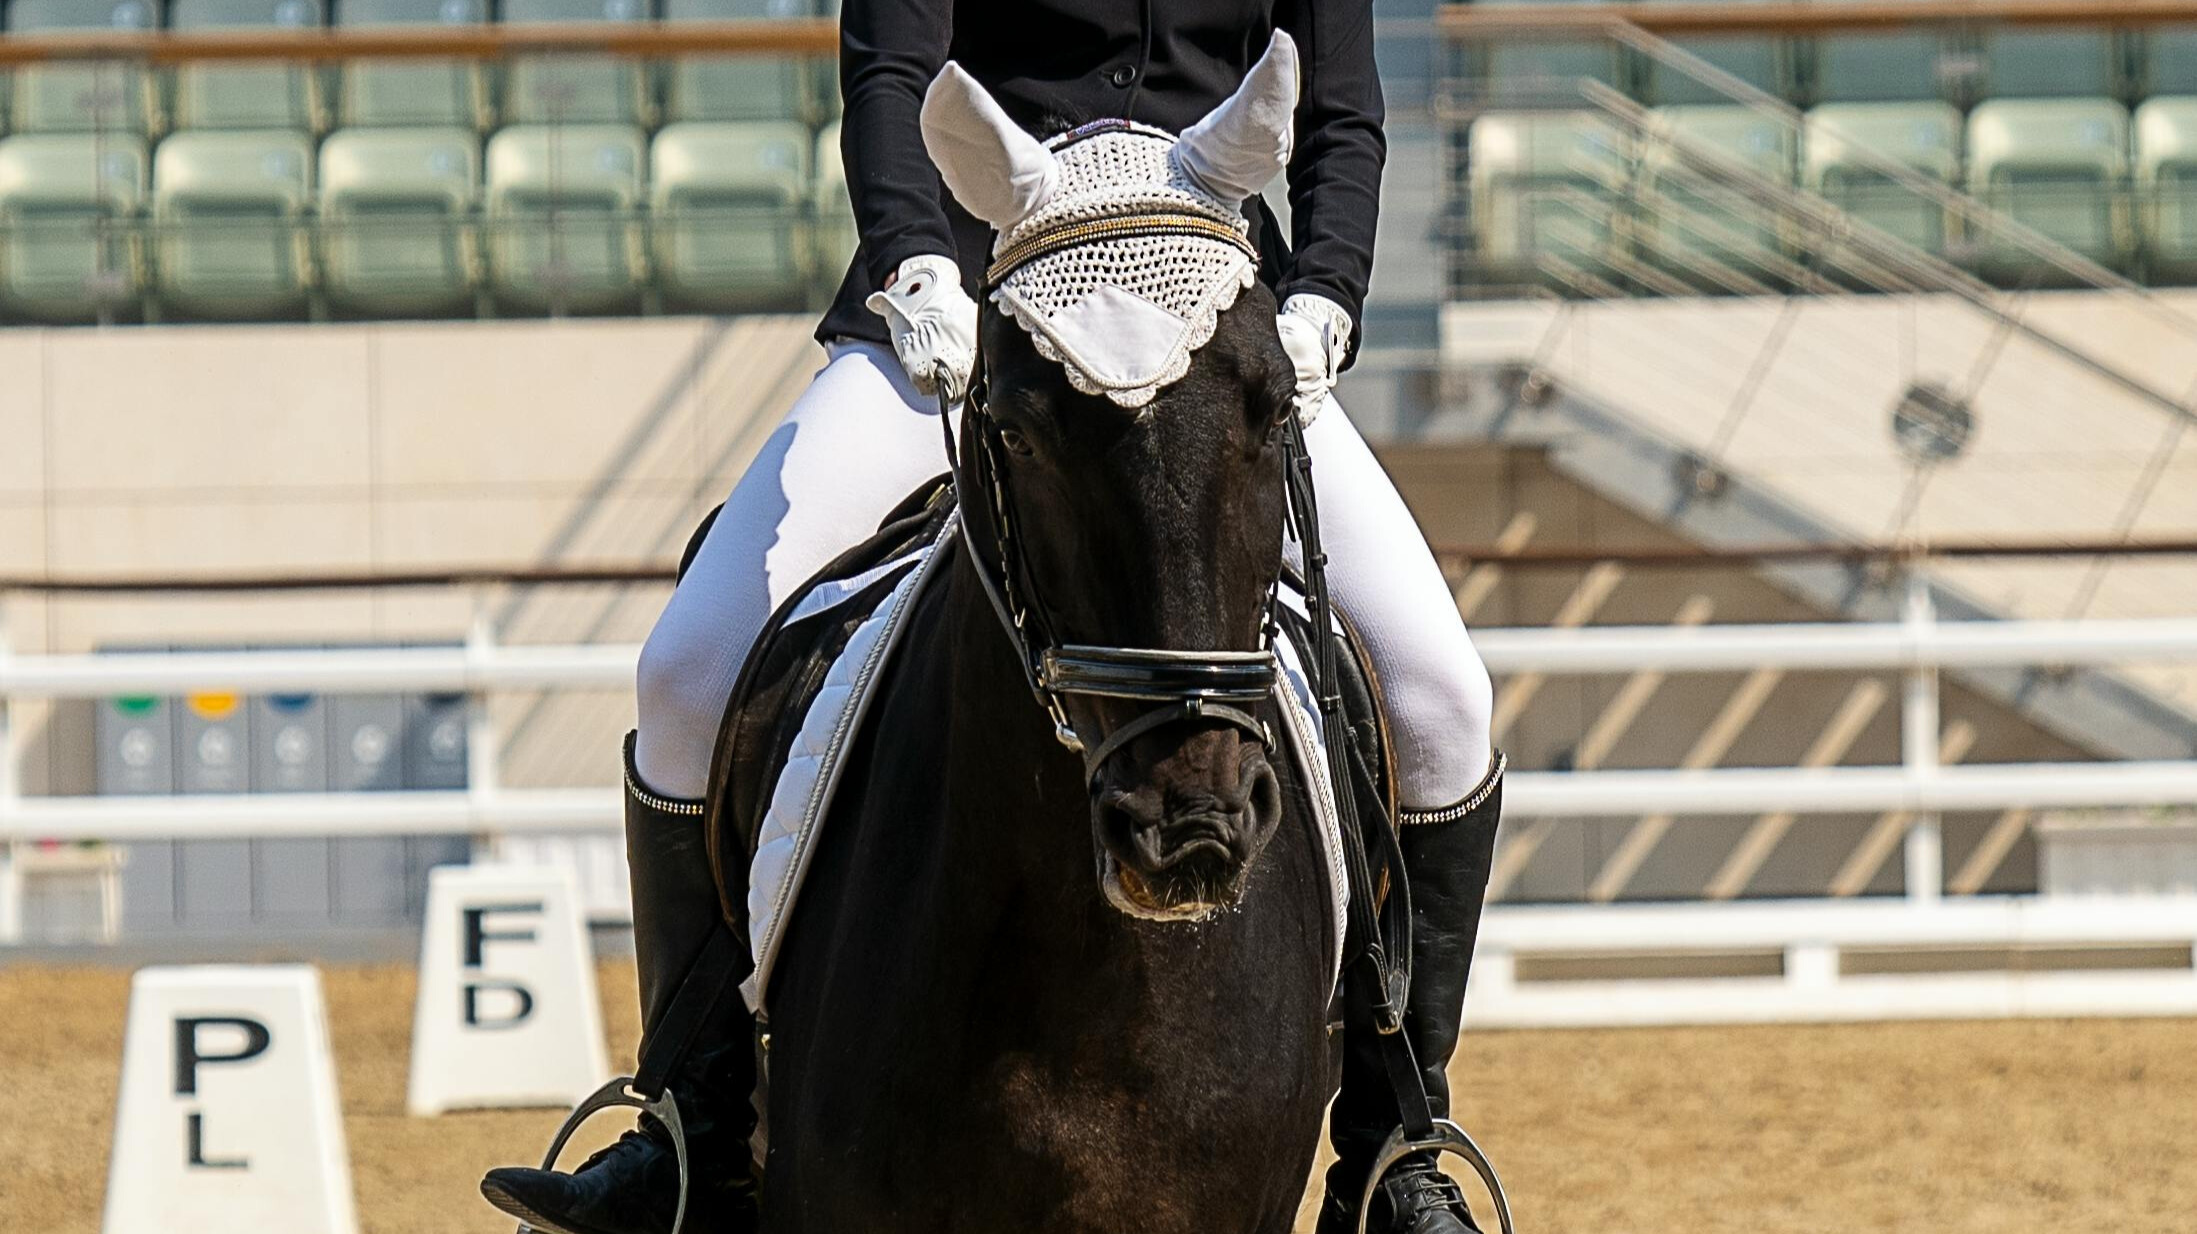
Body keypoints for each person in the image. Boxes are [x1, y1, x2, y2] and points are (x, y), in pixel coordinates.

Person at [480, 4, 1503, 1233]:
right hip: (978, 292)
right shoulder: (942, 276)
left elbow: (1342, 112)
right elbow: (892, 67)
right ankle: (688, 1133)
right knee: (689, 672)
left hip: (1202, 300)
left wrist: (1326, 293)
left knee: (1442, 699)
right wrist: (916, 259)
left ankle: (1395, 1145)